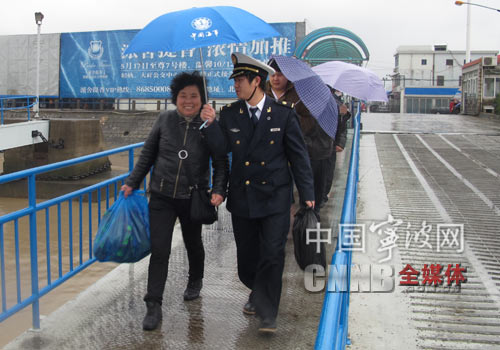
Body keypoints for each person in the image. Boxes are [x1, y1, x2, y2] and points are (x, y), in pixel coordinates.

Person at [205, 53, 315, 333]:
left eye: (240, 80)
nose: (236, 86)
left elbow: (299, 156)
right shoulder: (230, 114)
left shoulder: (283, 114)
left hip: (275, 197)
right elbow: (220, 151)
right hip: (243, 199)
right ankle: (257, 290)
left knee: (273, 254)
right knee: (247, 261)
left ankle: (268, 313)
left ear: (257, 81)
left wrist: (307, 193)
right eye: (235, 81)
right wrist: (210, 124)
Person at [120, 71, 228, 331]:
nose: (188, 101)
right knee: (160, 250)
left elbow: (222, 160)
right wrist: (132, 182)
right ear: (175, 98)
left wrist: (219, 189)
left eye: (194, 96)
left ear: (202, 98)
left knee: (193, 243)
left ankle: (195, 280)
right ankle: (153, 305)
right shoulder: (165, 119)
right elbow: (147, 154)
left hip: (192, 196)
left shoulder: (210, 123)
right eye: (183, 96)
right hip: (161, 195)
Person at [266, 59, 335, 212]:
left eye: (280, 75)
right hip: (272, 150)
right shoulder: (263, 93)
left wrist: (289, 127)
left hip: (298, 147)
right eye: (272, 75)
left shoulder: (299, 95)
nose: (275, 79)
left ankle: (306, 217)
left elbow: (309, 119)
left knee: (305, 190)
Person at [323, 103, 351, 204]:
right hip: (316, 147)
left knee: (328, 174)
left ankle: (322, 197)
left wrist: (342, 116)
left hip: (330, 146)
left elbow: (341, 129)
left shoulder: (335, 102)